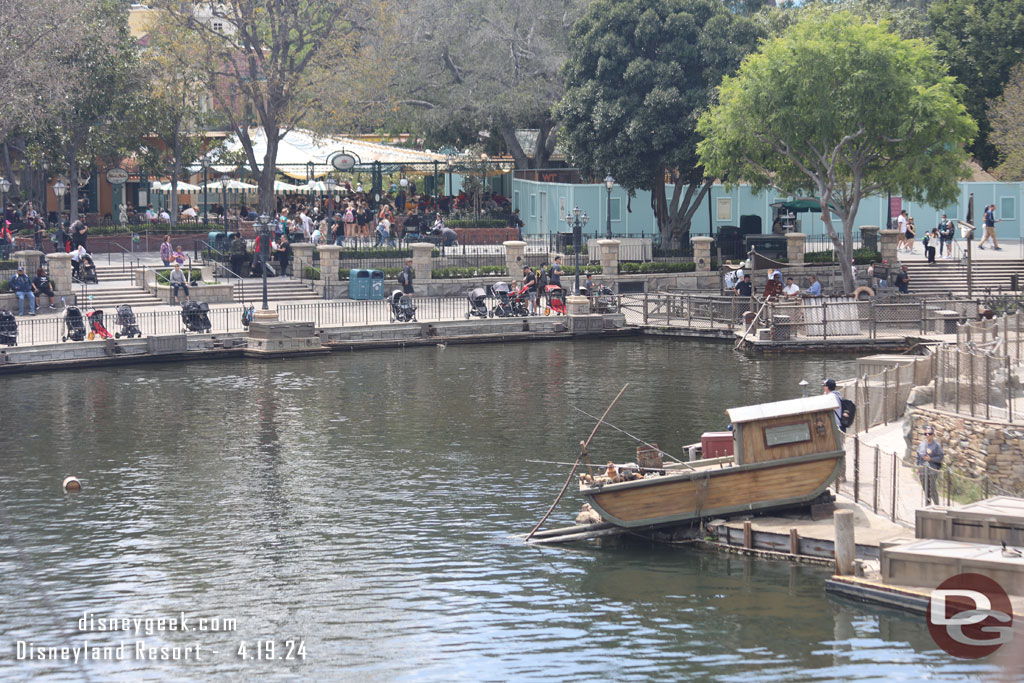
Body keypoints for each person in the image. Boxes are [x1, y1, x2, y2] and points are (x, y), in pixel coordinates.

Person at [916, 426, 944, 505]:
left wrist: (931, 459)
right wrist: (917, 467)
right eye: (926, 434)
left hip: (932, 470)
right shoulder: (922, 444)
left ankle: (936, 504)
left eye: (929, 434)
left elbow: (941, 457)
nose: (927, 435)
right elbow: (918, 456)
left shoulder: (936, 445)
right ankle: (927, 504)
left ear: (933, 435)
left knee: (932, 488)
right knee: (925, 488)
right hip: (922, 470)